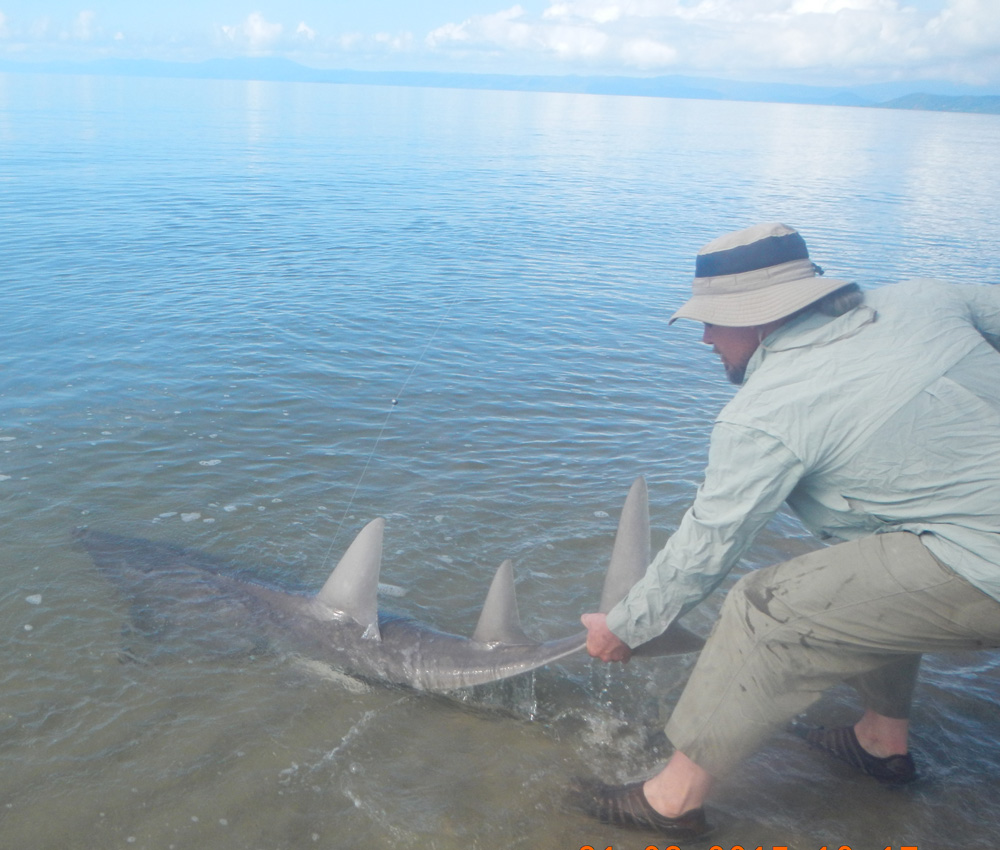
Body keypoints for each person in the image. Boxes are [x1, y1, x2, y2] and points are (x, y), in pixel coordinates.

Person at [576, 222, 1000, 839]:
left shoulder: (766, 411)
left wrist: (624, 627)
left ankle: (670, 801)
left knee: (763, 609)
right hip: (968, 534)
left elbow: (708, 545)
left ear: (758, 317)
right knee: (871, 557)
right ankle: (880, 742)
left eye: (713, 321)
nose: (704, 338)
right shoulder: (926, 297)